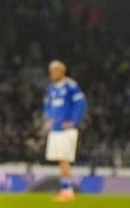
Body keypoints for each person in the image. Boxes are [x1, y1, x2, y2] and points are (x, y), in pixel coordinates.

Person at [43, 60, 87, 203]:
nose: (52, 73)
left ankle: (68, 191)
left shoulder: (71, 85)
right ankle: (64, 189)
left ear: (62, 71)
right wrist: (49, 118)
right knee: (60, 160)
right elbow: (47, 105)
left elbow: (81, 103)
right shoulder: (51, 88)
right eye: (51, 71)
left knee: (64, 159)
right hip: (55, 129)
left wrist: (73, 121)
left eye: (54, 70)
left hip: (66, 129)